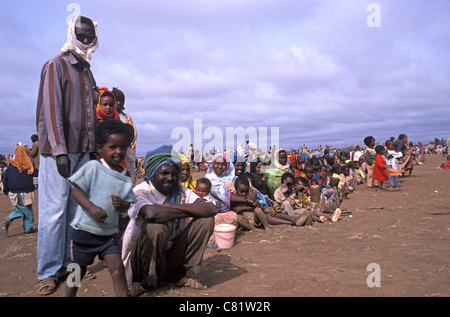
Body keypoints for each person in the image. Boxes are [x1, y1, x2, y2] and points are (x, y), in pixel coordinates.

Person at [35, 15, 99, 295]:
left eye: (89, 35)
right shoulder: (56, 65)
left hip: (82, 153)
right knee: (54, 211)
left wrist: (93, 150)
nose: (85, 39)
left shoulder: (87, 71)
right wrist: (60, 150)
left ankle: (69, 267)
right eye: (80, 34)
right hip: (59, 153)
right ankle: (48, 273)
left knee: (75, 211)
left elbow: (91, 115)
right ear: (71, 34)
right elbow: (52, 110)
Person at [121, 145, 216, 296]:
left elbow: (210, 208)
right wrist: (184, 209)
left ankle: (179, 274)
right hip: (142, 259)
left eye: (174, 173)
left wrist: (170, 208)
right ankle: (147, 281)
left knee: (206, 220)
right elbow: (151, 213)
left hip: (171, 256)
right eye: (164, 173)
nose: (170, 178)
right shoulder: (141, 191)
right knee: (156, 227)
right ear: (153, 173)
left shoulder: (180, 191)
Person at [65, 119, 136, 297]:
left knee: (117, 269)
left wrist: (122, 205)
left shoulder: (125, 176)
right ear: (100, 148)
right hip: (84, 233)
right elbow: (75, 190)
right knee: (76, 272)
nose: (119, 151)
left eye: (123, 147)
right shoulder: (93, 168)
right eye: (113, 147)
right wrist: (91, 207)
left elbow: (128, 204)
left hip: (108, 235)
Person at [1, 145, 36, 235]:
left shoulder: (9, 169)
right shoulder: (29, 168)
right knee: (28, 214)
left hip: (13, 194)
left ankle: (8, 221)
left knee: (18, 210)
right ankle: (28, 229)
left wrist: (6, 191)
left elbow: (6, 181)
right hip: (26, 194)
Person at [112, 87, 138, 183]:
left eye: (120, 101)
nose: (118, 103)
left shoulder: (127, 118)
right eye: (116, 100)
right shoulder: (108, 117)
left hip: (127, 152)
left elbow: (134, 137)